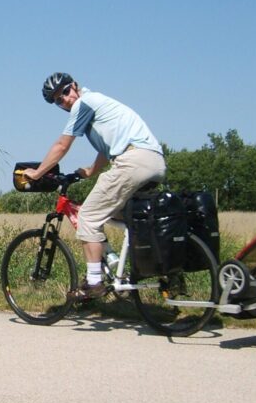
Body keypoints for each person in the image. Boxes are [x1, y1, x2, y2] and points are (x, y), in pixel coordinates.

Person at [23, 72, 166, 300]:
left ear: (75, 86)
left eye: (66, 92)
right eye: (58, 100)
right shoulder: (98, 105)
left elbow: (62, 145)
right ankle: (145, 270)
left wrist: (38, 172)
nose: (65, 100)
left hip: (132, 162)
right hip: (153, 162)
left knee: (88, 216)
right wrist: (90, 170)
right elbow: (107, 148)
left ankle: (93, 283)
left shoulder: (84, 103)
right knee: (123, 216)